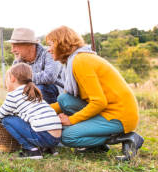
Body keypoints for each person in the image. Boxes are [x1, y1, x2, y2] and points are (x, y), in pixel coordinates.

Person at [45, 26, 143, 154]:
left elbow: (99, 102)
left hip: (119, 115)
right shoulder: (74, 61)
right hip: (106, 110)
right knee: (65, 99)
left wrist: (71, 120)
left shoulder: (81, 61)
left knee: (67, 137)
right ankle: (97, 145)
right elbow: (65, 102)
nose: (48, 50)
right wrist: (41, 110)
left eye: (51, 44)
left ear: (61, 44)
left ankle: (126, 137)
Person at [0, 63, 62, 159]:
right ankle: (48, 148)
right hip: (56, 138)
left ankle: (31, 150)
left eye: (6, 79)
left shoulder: (13, 95)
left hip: (44, 136)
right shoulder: (33, 92)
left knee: (6, 120)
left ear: (12, 78)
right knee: (29, 120)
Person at [8, 27, 62, 103]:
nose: (12, 50)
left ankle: (49, 113)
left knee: (39, 88)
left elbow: (50, 77)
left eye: (15, 46)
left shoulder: (49, 53)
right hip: (32, 94)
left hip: (58, 96)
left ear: (29, 45)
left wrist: (22, 78)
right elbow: (12, 82)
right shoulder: (17, 62)